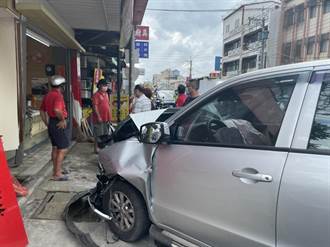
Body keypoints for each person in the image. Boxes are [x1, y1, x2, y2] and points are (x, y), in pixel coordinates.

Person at [40, 75, 69, 181]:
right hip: (57, 123)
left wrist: (47, 123)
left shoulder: (47, 95)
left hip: (52, 123)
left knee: (55, 147)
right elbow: (57, 110)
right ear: (61, 86)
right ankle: (57, 173)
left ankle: (56, 169)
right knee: (63, 148)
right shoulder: (58, 96)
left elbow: (42, 111)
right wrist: (62, 120)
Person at [92, 79, 112, 152]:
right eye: (104, 85)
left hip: (106, 118)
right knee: (98, 134)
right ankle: (96, 149)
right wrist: (98, 117)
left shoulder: (106, 94)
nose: (106, 87)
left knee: (104, 134)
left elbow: (108, 106)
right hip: (99, 119)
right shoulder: (96, 95)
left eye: (106, 86)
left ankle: (102, 148)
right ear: (100, 86)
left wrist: (110, 117)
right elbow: (95, 107)